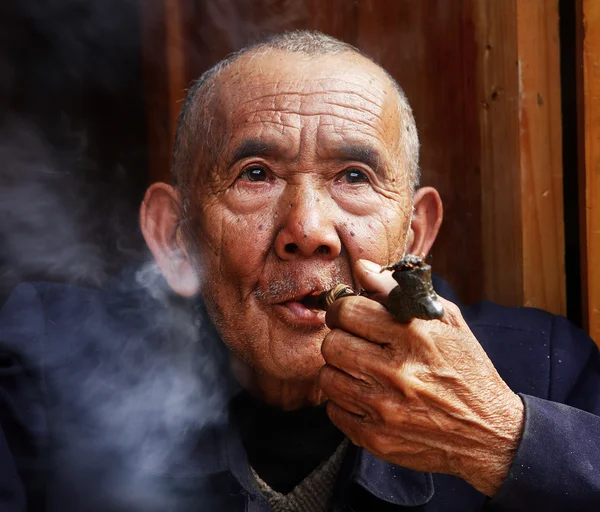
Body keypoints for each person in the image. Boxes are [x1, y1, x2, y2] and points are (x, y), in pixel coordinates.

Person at [1, 30, 599, 511]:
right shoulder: (47, 367)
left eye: (354, 177)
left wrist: (500, 440)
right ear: (177, 240)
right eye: (256, 174)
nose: (307, 230)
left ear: (414, 233)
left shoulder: (538, 373)